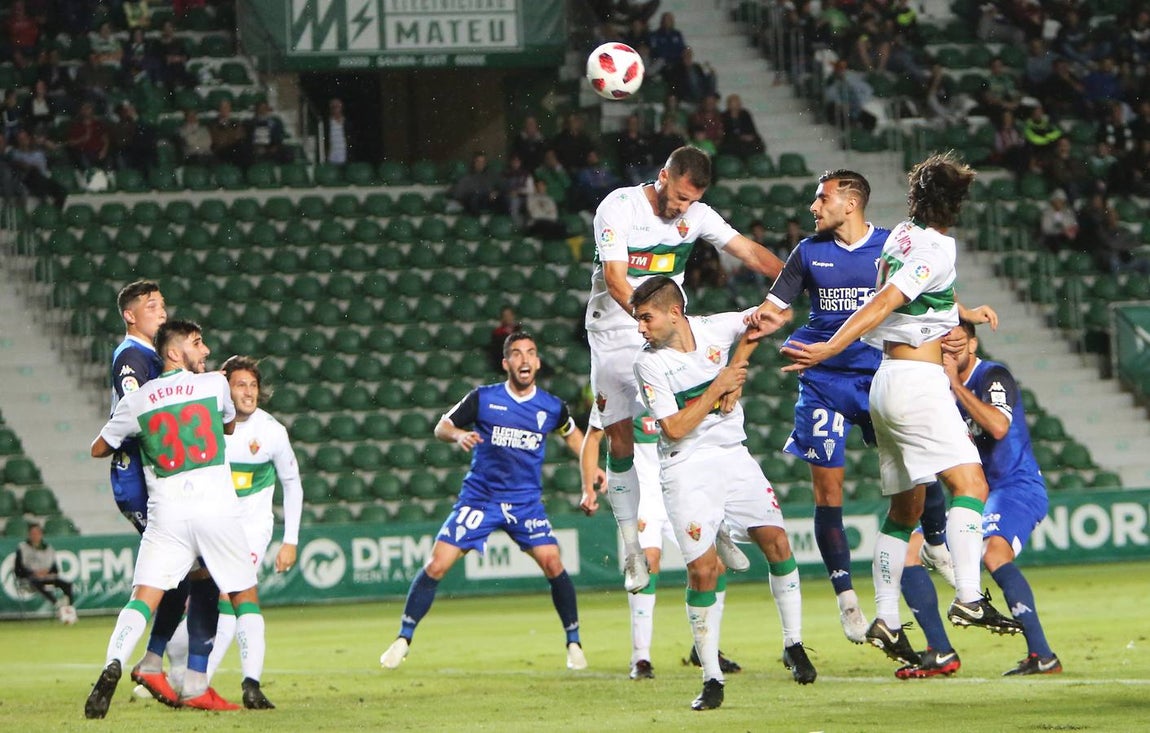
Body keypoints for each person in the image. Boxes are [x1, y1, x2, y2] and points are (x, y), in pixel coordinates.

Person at [764, 152, 1022, 667]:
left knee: (904, 510)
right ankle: (969, 595)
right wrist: (828, 348)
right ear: (956, 204)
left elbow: (919, 293)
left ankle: (884, 615)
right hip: (916, 383)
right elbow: (884, 301)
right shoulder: (935, 248)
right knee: (972, 485)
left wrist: (961, 313)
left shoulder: (900, 235)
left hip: (882, 381)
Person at [582, 145, 783, 594]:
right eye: (678, 197)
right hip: (615, 331)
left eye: (691, 201)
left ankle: (717, 527)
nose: (681, 208)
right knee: (621, 441)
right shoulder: (619, 206)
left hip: (668, 332)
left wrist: (791, 283)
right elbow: (615, 280)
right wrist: (646, 321)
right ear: (663, 176)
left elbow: (750, 253)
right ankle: (633, 550)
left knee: (697, 426)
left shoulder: (697, 215)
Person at [630, 276, 815, 710]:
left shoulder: (715, 327)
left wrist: (740, 366)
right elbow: (674, 427)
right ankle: (712, 677)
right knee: (703, 572)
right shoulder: (648, 364)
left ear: (674, 313)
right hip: (686, 466)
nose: (640, 328)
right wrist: (720, 384)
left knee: (778, 543)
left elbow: (770, 318)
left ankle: (793, 644)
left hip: (733, 454)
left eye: (646, 318)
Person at [85, 320, 274, 717]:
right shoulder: (214, 385)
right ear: (174, 352)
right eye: (197, 343)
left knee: (142, 599)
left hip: (167, 515)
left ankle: (113, 663)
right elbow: (227, 426)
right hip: (215, 510)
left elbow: (98, 448)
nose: (205, 351)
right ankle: (251, 684)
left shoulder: (137, 401)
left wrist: (138, 432)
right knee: (243, 597)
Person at [379, 331, 599, 671]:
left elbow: (574, 437)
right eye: (517, 353)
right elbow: (442, 426)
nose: (524, 359)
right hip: (480, 499)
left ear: (538, 362)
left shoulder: (552, 407)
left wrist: (592, 470)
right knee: (436, 564)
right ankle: (403, 639)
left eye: (530, 353)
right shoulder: (482, 398)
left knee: (553, 562)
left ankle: (574, 643)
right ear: (506, 363)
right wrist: (458, 435)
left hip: (525, 503)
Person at [898, 321, 1060, 678]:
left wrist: (956, 384)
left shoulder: (993, 376)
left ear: (973, 344)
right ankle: (940, 652)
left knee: (994, 553)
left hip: (1015, 487)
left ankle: (1042, 654)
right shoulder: (936, 389)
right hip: (973, 495)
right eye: (944, 343)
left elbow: (999, 427)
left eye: (958, 342)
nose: (950, 349)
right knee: (906, 552)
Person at [105, 281, 219, 710]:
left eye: (163, 304)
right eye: (151, 305)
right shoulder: (131, 357)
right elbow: (139, 412)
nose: (161, 311)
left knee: (185, 575)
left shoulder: (154, 356)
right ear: (130, 315)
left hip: (157, 479)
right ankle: (164, 666)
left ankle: (159, 664)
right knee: (186, 573)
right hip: (138, 478)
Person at [164, 355, 304, 692]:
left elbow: (292, 484)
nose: (249, 392)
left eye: (253, 385)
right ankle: (177, 669)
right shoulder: (208, 426)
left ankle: (204, 684)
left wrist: (290, 540)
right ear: (225, 389)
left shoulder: (271, 431)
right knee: (195, 606)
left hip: (251, 531)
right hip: (212, 527)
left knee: (229, 597)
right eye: (241, 385)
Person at [581, 409, 745, 680]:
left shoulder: (675, 389)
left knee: (715, 564)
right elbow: (593, 436)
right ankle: (641, 657)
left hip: (679, 490)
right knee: (648, 562)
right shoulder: (621, 392)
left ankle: (706, 648)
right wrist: (588, 488)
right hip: (643, 494)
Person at [14, 522, 75, 618]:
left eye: (37, 533)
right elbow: (18, 569)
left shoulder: (48, 549)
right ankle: (56, 603)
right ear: (29, 535)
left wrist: (47, 572)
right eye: (33, 533)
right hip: (30, 579)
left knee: (67, 584)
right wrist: (33, 573)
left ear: (41, 534)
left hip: (46, 577)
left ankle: (69, 610)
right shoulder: (22, 548)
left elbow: (55, 569)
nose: (35, 536)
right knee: (35, 581)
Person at [718, 94, 765, 159]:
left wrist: (749, 137)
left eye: (738, 104)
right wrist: (740, 137)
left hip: (746, 142)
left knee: (758, 146)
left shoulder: (745, 114)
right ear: (728, 105)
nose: (736, 107)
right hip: (731, 143)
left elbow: (752, 130)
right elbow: (725, 134)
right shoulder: (723, 116)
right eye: (733, 104)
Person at [325, 97, 348, 165]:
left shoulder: (346, 123)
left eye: (338, 106)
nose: (336, 109)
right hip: (332, 156)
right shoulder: (328, 123)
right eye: (333, 107)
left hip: (344, 155)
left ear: (341, 108)